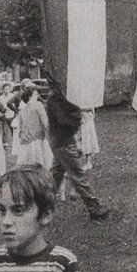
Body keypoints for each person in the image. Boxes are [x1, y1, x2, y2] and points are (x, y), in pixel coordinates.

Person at [46, 80, 109, 221]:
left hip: (62, 142)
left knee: (55, 178)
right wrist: (77, 115)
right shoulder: (56, 98)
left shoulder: (59, 97)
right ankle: (95, 208)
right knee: (78, 175)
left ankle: (40, 206)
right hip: (63, 143)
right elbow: (65, 120)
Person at [17, 85, 53, 168]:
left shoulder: (22, 109)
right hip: (38, 139)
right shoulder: (38, 105)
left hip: (26, 141)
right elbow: (45, 123)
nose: (37, 94)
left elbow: (21, 128)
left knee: (27, 165)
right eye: (35, 92)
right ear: (31, 95)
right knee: (42, 163)